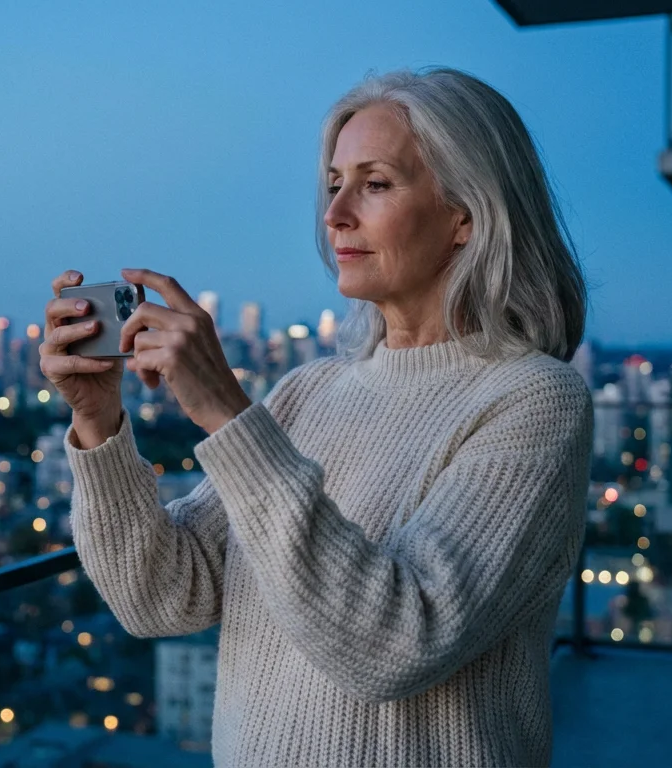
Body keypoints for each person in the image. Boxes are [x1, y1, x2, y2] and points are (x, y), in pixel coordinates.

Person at [40, 67, 592, 767]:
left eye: (376, 183)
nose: (334, 215)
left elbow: (396, 645)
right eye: (334, 184)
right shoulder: (309, 394)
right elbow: (161, 597)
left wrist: (228, 414)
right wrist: (98, 425)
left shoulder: (533, 400)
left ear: (467, 215)